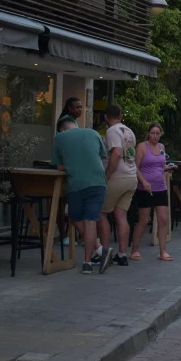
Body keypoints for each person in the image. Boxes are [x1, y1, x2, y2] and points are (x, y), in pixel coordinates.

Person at [51, 116, 112, 275]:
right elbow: (104, 158)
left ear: (61, 129)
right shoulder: (93, 133)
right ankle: (95, 255)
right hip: (98, 183)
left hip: (76, 185)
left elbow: (59, 167)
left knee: (76, 218)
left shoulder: (59, 138)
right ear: (76, 125)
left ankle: (90, 260)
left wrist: (72, 164)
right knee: (90, 220)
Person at [130, 123, 176, 261]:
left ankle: (163, 251)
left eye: (157, 133)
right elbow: (135, 167)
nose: (155, 136)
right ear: (148, 134)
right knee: (144, 220)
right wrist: (144, 182)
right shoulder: (142, 147)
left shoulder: (162, 147)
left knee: (163, 219)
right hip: (145, 188)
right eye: (152, 133)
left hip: (160, 187)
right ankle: (134, 249)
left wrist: (168, 168)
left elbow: (160, 166)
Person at [99, 104, 137, 267]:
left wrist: (106, 176)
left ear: (106, 117)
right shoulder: (129, 131)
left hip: (117, 177)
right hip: (131, 176)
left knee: (101, 214)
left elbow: (116, 152)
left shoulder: (112, 131)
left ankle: (105, 253)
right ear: (121, 116)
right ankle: (122, 254)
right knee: (121, 216)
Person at [56, 97, 84, 246]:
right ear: (69, 108)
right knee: (62, 202)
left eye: (81, 107)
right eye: (77, 107)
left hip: (72, 165)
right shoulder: (65, 121)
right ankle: (64, 235)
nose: (79, 110)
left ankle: (73, 233)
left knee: (69, 201)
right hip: (66, 165)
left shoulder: (72, 121)